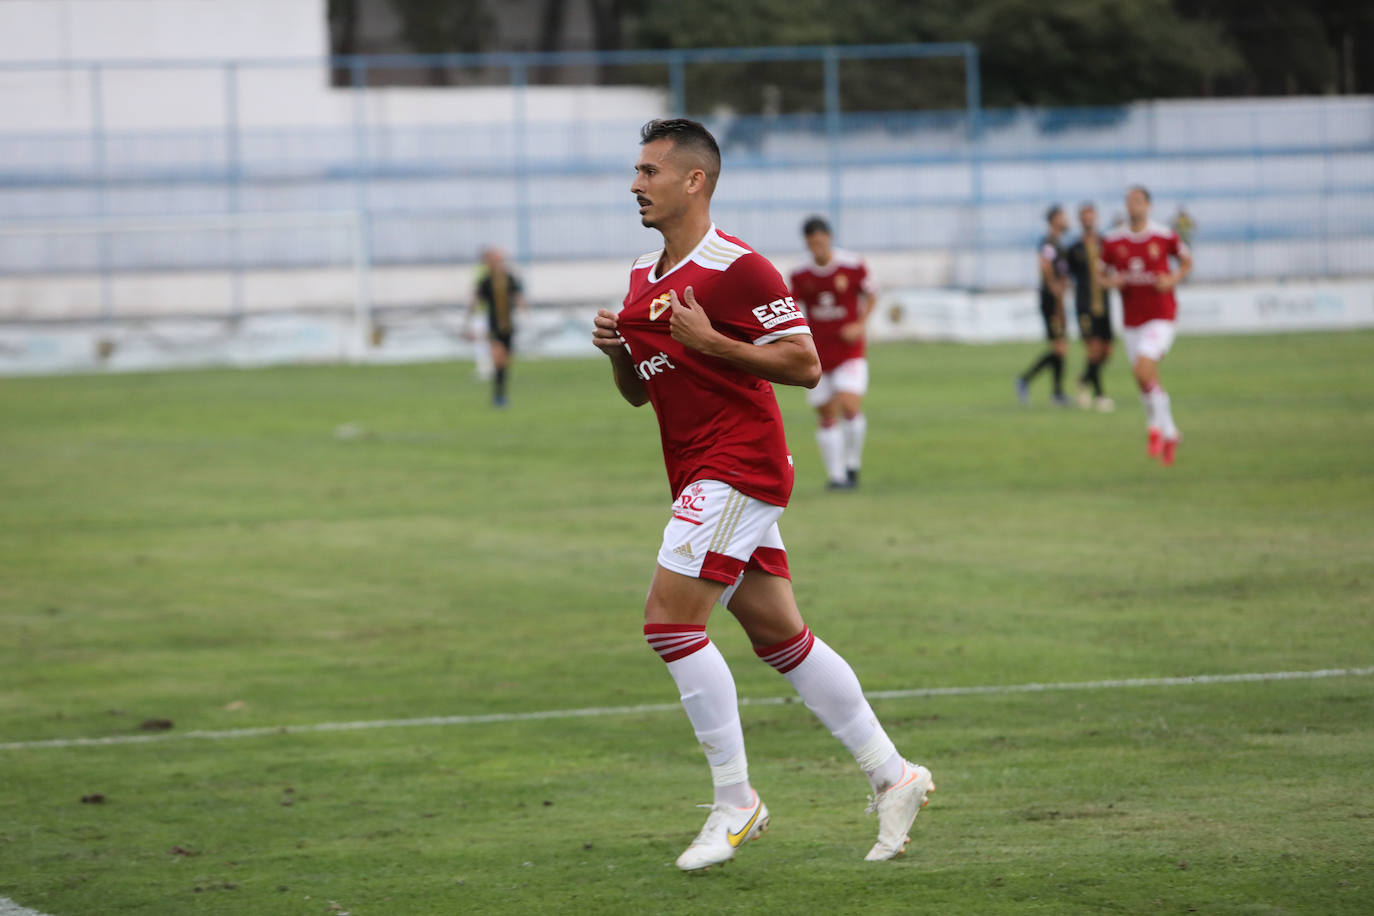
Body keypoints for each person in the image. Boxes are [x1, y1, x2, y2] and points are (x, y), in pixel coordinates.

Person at [591, 118, 934, 872]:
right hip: (698, 471)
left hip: (737, 465)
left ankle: (736, 801)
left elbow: (806, 365)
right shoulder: (641, 280)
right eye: (636, 171)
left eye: (649, 171)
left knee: (668, 624)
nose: (635, 184)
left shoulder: (739, 267)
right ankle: (893, 774)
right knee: (782, 636)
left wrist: (712, 341)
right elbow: (639, 399)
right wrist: (620, 354)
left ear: (694, 181)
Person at [1097, 185, 1193, 466]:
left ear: (1148, 205)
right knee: (1143, 379)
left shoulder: (1163, 236)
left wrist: (1172, 280)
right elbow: (1100, 274)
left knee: (1143, 367)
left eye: (1138, 201)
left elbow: (1186, 262)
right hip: (1132, 320)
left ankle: (1170, 432)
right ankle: (1155, 428)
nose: (1133, 206)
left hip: (1161, 316)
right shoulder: (1114, 241)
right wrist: (1111, 282)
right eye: (1129, 202)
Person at [789, 216, 876, 489]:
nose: (818, 247)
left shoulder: (852, 265)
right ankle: (837, 476)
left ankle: (853, 464)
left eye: (821, 241)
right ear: (807, 244)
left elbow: (871, 295)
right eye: (812, 243)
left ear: (829, 238)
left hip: (849, 352)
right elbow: (793, 308)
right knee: (826, 414)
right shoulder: (800, 274)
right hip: (817, 354)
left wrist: (859, 325)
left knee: (849, 404)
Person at [1016, 205, 1071, 407]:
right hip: (1050, 299)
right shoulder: (1049, 242)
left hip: (1057, 299)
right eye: (1063, 217)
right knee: (1059, 346)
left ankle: (1057, 393)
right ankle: (1026, 380)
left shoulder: (1059, 243)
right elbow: (1044, 263)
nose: (1066, 220)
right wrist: (1053, 286)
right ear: (1054, 219)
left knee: (1061, 347)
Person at [1066, 202, 1115, 412]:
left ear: (1095, 219)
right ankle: (1100, 395)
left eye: (1091, 217)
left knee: (1107, 352)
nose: (1088, 221)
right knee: (1093, 350)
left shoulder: (1105, 243)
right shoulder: (1074, 249)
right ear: (1080, 220)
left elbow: (1113, 268)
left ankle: (1084, 379)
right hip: (1085, 305)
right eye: (1084, 217)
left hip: (1104, 304)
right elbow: (1067, 275)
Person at [466, 247, 526, 407]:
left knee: (504, 363)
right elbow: (476, 300)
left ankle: (500, 394)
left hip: (509, 326)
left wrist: (522, 310)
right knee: (498, 358)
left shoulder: (510, 278)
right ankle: (498, 396)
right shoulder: (486, 280)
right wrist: (469, 324)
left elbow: (519, 296)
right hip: (493, 326)